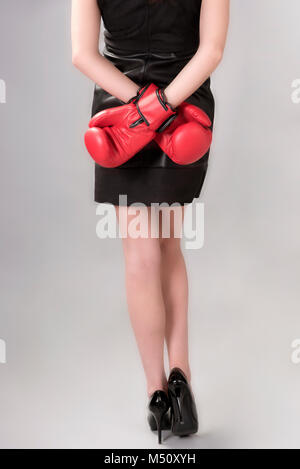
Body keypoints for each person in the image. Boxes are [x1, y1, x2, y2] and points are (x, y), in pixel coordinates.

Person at [71, 0, 230, 444]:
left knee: (139, 256)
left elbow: (82, 54)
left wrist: (140, 107)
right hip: (185, 112)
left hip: (118, 115)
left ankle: (157, 396)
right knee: (169, 246)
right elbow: (211, 50)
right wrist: (164, 104)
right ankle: (181, 380)